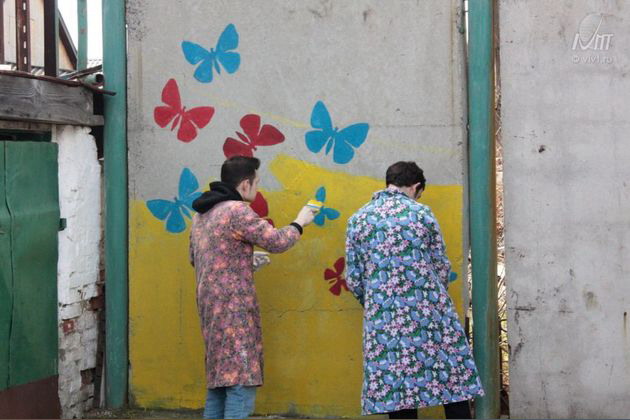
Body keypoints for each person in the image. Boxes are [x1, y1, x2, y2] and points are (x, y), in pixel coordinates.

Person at [345, 161, 484, 419]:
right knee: (450, 374)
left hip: (383, 320)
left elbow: (354, 279)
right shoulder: (421, 214)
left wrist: (378, 303)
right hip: (429, 314)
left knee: (397, 385)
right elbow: (441, 266)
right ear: (416, 187)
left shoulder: (358, 219)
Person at [189, 156, 317, 419]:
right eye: (257, 183)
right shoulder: (237, 210)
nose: (258, 189)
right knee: (240, 380)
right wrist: (300, 222)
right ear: (245, 184)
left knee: (219, 382)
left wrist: (243, 260)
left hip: (211, 307)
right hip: (234, 309)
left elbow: (199, 258)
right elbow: (277, 241)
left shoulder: (201, 215)